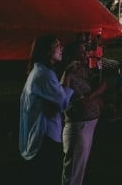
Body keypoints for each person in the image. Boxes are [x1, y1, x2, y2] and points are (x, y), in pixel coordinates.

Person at [19, 35, 74, 185]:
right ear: (47, 51)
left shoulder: (40, 71)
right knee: (48, 175)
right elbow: (62, 102)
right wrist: (68, 74)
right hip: (45, 135)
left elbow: (55, 100)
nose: (61, 48)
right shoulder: (44, 74)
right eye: (57, 45)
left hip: (44, 132)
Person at [60, 39, 106, 185]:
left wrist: (91, 96)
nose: (86, 54)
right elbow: (63, 97)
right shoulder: (67, 74)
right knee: (74, 171)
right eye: (81, 52)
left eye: (86, 50)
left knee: (80, 169)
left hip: (88, 124)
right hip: (78, 126)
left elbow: (102, 85)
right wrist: (91, 96)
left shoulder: (85, 70)